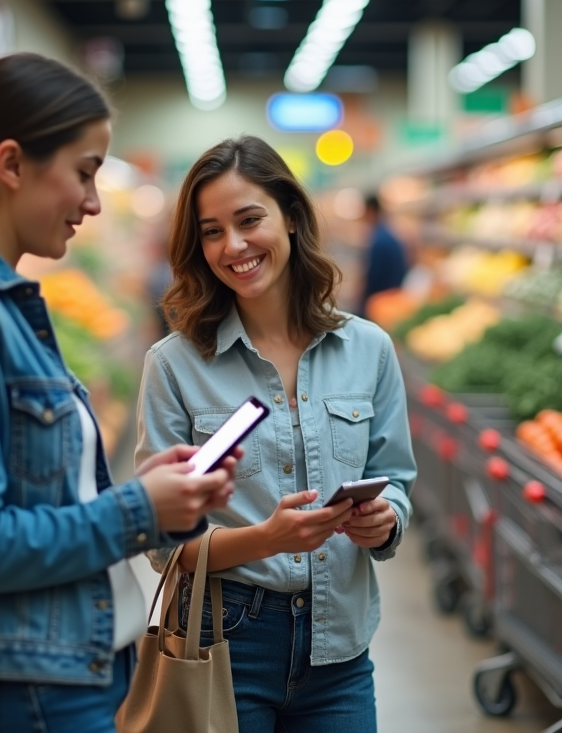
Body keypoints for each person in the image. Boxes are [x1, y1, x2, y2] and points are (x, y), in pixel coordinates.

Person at [0, 53, 235, 733]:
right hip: (28, 692)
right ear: (11, 164)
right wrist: (132, 511)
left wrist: (144, 496)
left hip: (56, 674)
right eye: (84, 172)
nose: (93, 201)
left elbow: (22, 499)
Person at [136, 135, 417, 733]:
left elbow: (397, 480)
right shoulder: (175, 364)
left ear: (290, 217)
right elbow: (163, 542)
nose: (233, 245)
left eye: (248, 220)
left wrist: (384, 518)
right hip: (224, 643)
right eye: (211, 231)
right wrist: (267, 538)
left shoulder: (368, 349)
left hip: (340, 649)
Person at [358, 193, 407, 318]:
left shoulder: (379, 240)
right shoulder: (389, 235)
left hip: (382, 303)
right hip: (394, 298)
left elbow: (374, 277)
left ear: (370, 210)